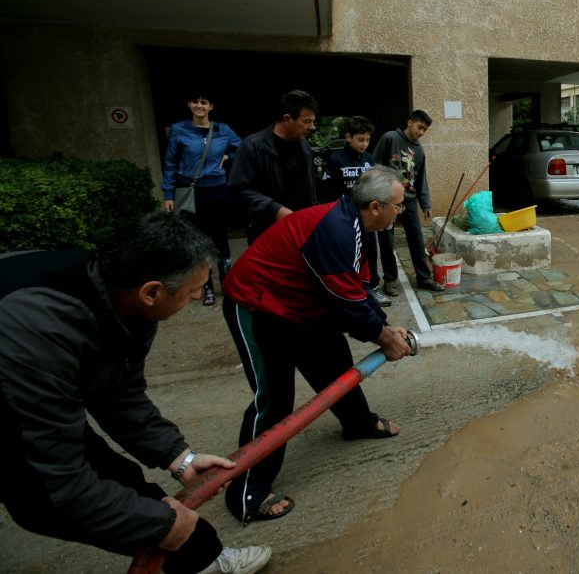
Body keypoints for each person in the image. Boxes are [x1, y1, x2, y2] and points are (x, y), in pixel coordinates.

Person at [0, 212, 271, 574]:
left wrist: (179, 457)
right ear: (152, 292)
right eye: (193, 291)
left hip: (29, 398)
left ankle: (204, 560)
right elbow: (54, 487)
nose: (195, 298)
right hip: (14, 402)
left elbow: (118, 391)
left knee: (126, 486)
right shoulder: (36, 336)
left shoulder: (118, 296)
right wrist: (157, 524)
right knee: (99, 502)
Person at [221, 166, 414, 524]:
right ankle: (247, 491)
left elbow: (359, 292)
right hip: (259, 306)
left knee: (335, 364)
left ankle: (356, 423)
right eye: (398, 206)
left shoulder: (359, 227)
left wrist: (386, 327)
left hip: (305, 306)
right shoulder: (337, 230)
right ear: (375, 206)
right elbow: (349, 308)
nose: (400, 212)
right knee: (274, 399)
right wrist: (384, 338)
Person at [161, 91, 242, 307]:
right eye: (195, 101)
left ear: (211, 107)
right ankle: (206, 287)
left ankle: (227, 283)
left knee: (220, 237)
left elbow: (242, 147)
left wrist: (229, 156)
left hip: (217, 189)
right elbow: (170, 163)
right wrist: (168, 193)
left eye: (204, 102)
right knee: (198, 239)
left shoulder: (222, 129)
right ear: (189, 104)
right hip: (191, 190)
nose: (199, 105)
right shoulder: (179, 130)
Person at [229, 89, 318, 244]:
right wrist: (275, 210)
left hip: (302, 230)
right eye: (307, 121)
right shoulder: (253, 147)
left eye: (313, 121)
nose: (312, 127)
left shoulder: (305, 147)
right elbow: (238, 189)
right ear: (287, 119)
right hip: (267, 233)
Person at [372, 109, 446, 294]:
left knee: (416, 239)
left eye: (425, 130)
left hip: (409, 200)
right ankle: (390, 280)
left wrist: (426, 204)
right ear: (410, 122)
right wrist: (376, 196)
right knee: (387, 241)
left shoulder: (419, 150)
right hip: (387, 200)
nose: (421, 133)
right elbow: (375, 166)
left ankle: (424, 277)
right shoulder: (390, 138)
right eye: (420, 127)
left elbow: (421, 179)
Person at [324, 116, 390, 307]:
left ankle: (373, 289)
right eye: (360, 139)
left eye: (367, 140)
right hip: (344, 219)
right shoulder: (335, 160)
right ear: (348, 137)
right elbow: (329, 192)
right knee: (348, 255)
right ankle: (349, 292)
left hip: (367, 220)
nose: (364, 144)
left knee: (369, 254)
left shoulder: (369, 160)